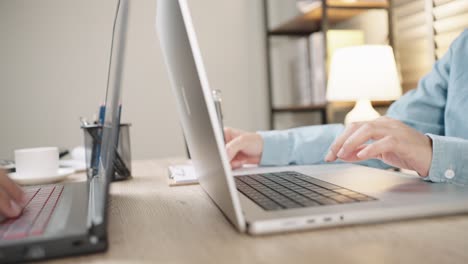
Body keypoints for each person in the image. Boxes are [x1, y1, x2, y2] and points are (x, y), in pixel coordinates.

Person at [226, 30, 468, 187]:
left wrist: (436, 154)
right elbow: (376, 137)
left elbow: (424, 150)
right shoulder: (463, 48)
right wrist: (264, 145)